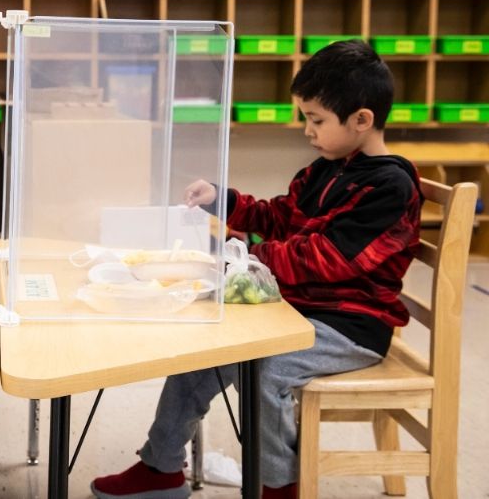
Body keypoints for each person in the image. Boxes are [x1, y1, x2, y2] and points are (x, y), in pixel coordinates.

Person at [90, 40, 422, 499]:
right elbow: (278, 216)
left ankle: (278, 486)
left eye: (316, 120)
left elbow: (329, 258)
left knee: (267, 371)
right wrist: (224, 199)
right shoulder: (325, 169)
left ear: (361, 120)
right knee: (204, 347)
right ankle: (161, 466)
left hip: (351, 326)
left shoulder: (391, 186)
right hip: (299, 311)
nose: (308, 130)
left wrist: (246, 259)